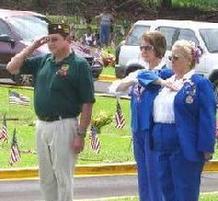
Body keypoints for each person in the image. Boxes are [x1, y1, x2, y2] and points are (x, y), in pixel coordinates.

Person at [6, 23, 95, 201]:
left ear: (68, 40)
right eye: (49, 40)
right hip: (42, 125)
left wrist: (81, 134)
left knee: (63, 177)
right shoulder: (44, 61)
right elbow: (12, 67)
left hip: (64, 125)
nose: (51, 44)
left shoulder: (79, 65)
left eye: (55, 40)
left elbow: (87, 102)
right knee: (46, 178)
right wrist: (32, 47)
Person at [109, 31, 172, 201]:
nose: (143, 51)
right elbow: (115, 87)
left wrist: (136, 77)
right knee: (143, 175)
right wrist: (131, 79)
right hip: (138, 129)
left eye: (147, 47)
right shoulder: (141, 73)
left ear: (158, 49)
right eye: (141, 48)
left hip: (152, 129)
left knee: (155, 175)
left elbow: (151, 78)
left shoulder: (165, 74)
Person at [151, 40, 216, 201]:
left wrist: (207, 147)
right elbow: (141, 75)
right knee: (167, 190)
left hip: (184, 144)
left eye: (176, 58)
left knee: (185, 191)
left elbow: (208, 116)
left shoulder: (199, 83)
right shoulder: (166, 80)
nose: (172, 61)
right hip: (160, 143)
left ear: (189, 60)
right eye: (170, 58)